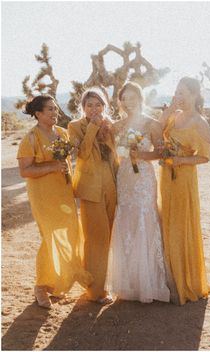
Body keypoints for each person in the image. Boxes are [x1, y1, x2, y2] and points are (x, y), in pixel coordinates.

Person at [17, 95, 93, 309]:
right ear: (38, 114)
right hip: (43, 196)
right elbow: (25, 170)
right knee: (49, 237)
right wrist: (51, 167)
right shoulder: (30, 138)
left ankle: (58, 282)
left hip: (63, 194)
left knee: (69, 234)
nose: (54, 113)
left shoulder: (62, 133)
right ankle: (41, 286)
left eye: (55, 109)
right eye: (49, 109)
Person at [105, 82, 170, 303]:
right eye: (125, 99)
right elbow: (112, 152)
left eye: (133, 98)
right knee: (126, 220)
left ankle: (148, 283)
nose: (129, 102)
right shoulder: (116, 125)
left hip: (143, 177)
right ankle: (127, 283)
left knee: (144, 218)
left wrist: (139, 156)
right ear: (120, 101)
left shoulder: (152, 124)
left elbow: (160, 154)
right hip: (124, 176)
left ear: (140, 99)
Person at [158, 77, 210, 305]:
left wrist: (181, 160)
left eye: (183, 92)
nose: (179, 95)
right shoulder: (174, 115)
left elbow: (205, 156)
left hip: (183, 178)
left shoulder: (200, 122)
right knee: (167, 223)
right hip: (166, 178)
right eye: (177, 91)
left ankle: (185, 281)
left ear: (194, 94)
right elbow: (157, 129)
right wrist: (170, 108)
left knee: (181, 226)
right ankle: (170, 280)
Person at [68, 87, 118, 304]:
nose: (94, 109)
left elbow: (115, 157)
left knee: (109, 238)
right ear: (83, 107)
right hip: (90, 189)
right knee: (95, 239)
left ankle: (107, 284)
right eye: (90, 105)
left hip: (112, 187)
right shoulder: (74, 126)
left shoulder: (110, 127)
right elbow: (83, 153)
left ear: (105, 106)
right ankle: (95, 291)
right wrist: (92, 127)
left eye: (98, 104)